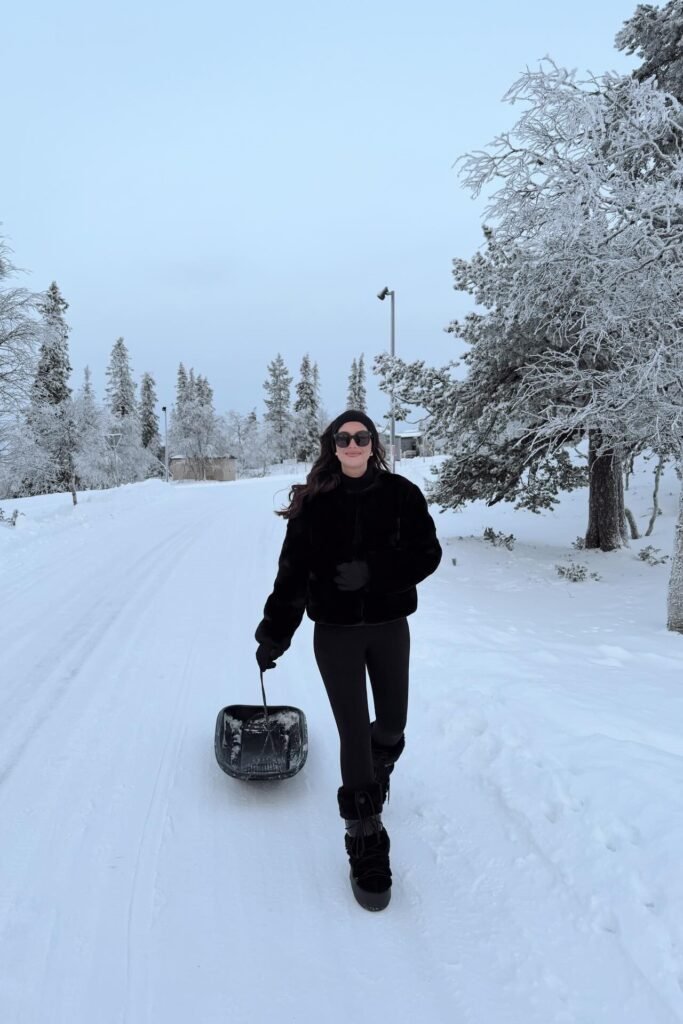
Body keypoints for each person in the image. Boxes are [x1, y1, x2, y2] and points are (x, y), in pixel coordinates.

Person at [254, 409, 442, 911]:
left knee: (392, 724)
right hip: (334, 634)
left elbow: (428, 554)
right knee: (354, 731)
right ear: (332, 446)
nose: (353, 444)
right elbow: (291, 575)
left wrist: (375, 574)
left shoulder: (402, 495)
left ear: (373, 444)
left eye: (362, 437)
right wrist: (275, 634)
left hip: (388, 629)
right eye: (344, 438)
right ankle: (365, 837)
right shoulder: (315, 505)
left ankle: (377, 772)